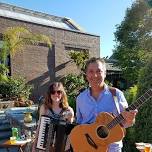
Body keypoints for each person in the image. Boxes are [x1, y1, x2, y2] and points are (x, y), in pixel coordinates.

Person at [76, 57, 137, 152]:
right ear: (86, 75)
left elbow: (127, 123)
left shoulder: (116, 94)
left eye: (99, 71)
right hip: (88, 148)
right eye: (91, 71)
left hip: (112, 149)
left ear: (105, 73)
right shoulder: (80, 98)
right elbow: (79, 124)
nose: (95, 75)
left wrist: (130, 119)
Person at [32, 82, 74, 152]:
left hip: (62, 148)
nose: (56, 94)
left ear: (62, 93)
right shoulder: (44, 108)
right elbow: (39, 127)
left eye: (59, 92)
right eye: (53, 92)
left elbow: (70, 134)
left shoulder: (69, 110)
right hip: (46, 146)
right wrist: (34, 145)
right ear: (49, 94)